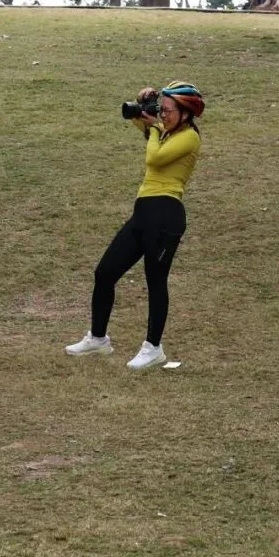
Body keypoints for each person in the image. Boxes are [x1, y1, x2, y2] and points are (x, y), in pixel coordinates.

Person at [65, 82, 204, 372]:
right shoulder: (164, 132)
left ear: (185, 113)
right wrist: (143, 107)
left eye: (168, 110)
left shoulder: (189, 137)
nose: (163, 114)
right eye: (162, 109)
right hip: (143, 214)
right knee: (105, 273)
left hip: (166, 215)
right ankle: (98, 338)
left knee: (155, 281)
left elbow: (154, 157)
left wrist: (152, 128)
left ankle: (153, 348)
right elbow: (140, 123)